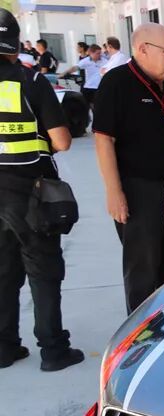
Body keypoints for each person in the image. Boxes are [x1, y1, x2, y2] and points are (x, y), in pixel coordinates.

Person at [0, 10, 83, 371]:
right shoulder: (31, 81)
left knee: (3, 270)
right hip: (29, 192)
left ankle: (4, 347)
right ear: (15, 43)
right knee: (43, 268)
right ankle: (53, 350)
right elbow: (62, 141)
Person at [93, 23, 164, 313]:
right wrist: (114, 192)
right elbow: (104, 139)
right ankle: (141, 334)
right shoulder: (117, 83)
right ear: (142, 49)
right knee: (143, 270)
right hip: (138, 189)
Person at [63, 44, 106, 108]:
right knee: (85, 106)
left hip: (99, 87)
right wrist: (64, 73)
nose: (100, 55)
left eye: (100, 53)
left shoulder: (105, 61)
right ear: (91, 53)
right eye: (98, 53)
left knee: (98, 106)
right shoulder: (86, 61)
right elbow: (76, 67)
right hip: (88, 87)